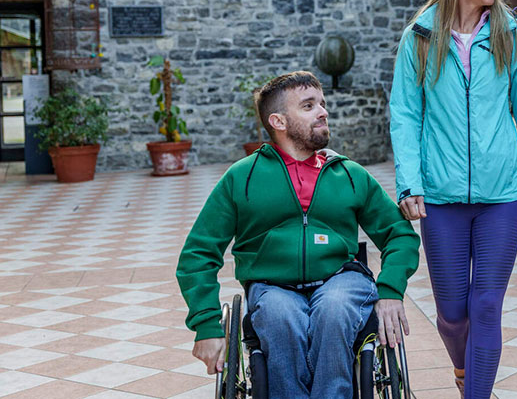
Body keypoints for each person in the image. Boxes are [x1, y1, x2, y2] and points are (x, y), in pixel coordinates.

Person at [176, 71, 420, 399]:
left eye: (322, 103)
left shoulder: (350, 174)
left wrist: (390, 290)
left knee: (333, 310)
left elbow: (399, 235)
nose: (323, 111)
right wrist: (206, 325)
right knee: (280, 317)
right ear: (278, 121)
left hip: (341, 279)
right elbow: (198, 254)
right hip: (272, 286)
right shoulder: (242, 177)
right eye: (308, 106)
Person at [389, 0, 517, 399]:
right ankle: (465, 371)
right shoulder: (419, 37)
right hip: (439, 197)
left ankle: (475, 391)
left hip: (503, 194)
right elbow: (404, 115)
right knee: (452, 314)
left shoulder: (511, 34)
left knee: (486, 305)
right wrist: (409, 184)